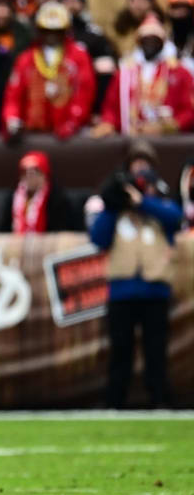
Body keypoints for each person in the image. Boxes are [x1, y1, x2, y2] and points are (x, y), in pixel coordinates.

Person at [89, 139, 179, 408]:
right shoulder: (115, 209)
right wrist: (115, 203)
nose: (140, 173)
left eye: (145, 168)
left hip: (155, 289)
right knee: (120, 352)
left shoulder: (161, 204)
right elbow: (98, 237)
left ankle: (160, 402)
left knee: (156, 352)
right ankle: (115, 403)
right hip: (122, 291)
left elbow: (175, 218)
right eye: (135, 167)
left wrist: (143, 202)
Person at [1, 1, 95, 143]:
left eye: (57, 31)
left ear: (66, 31)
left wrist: (73, 121)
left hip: (69, 137)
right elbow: (13, 96)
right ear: (39, 30)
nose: (52, 36)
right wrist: (12, 120)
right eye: (47, 30)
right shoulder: (26, 59)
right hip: (31, 134)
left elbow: (85, 92)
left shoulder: (79, 57)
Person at [92, 15, 194, 137]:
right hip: (132, 137)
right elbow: (110, 106)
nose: (149, 44)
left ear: (162, 42)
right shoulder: (125, 73)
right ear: (139, 42)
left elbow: (189, 110)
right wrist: (108, 123)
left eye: (154, 40)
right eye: (145, 39)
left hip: (168, 141)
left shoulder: (179, 72)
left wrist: (169, 126)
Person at [0, 150, 81, 233]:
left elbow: (63, 230)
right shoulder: (12, 198)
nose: (29, 177)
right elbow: (3, 230)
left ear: (44, 175)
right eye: (25, 173)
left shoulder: (58, 199)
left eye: (35, 173)